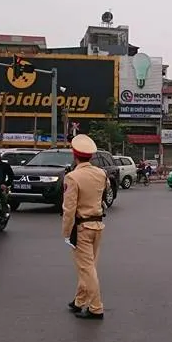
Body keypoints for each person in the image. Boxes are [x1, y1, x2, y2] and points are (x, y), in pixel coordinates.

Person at [62, 134, 108, 320]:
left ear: (75, 155)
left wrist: (66, 232)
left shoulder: (72, 177)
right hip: (97, 224)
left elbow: (69, 208)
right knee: (88, 266)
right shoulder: (101, 173)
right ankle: (80, 300)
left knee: (86, 269)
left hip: (82, 228)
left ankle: (96, 307)